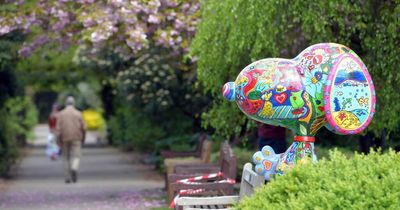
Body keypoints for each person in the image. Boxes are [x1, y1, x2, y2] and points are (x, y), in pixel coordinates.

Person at [56, 96, 86, 183]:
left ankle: (67, 177)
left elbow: (58, 129)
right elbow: (84, 127)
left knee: (65, 157)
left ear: (66, 104)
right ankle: (74, 167)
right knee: (76, 156)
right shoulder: (78, 113)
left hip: (64, 138)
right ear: (74, 103)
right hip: (77, 138)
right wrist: (83, 137)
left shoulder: (61, 114)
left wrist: (58, 139)